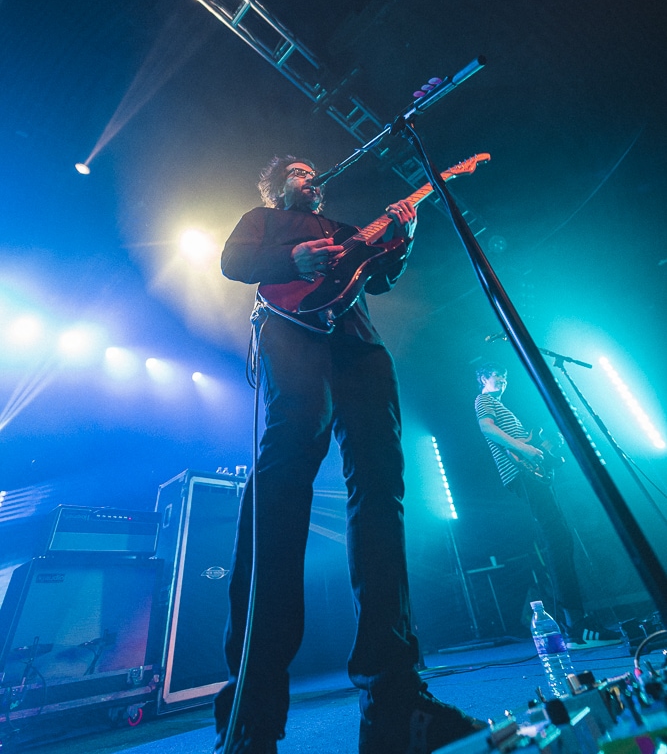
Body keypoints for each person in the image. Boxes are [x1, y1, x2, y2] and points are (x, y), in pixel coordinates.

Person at [215, 155, 486, 754]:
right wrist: (292, 258)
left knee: (382, 492)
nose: (312, 178)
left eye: (315, 172)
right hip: (290, 335)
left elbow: (380, 277)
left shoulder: (340, 228)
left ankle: (394, 699)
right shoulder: (263, 219)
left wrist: (404, 236)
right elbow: (233, 262)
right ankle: (252, 717)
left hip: (358, 346)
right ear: (277, 183)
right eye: (300, 172)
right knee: (282, 488)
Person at [474, 362, 623, 649]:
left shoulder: (501, 406)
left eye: (505, 377)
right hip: (521, 474)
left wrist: (544, 450)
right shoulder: (484, 400)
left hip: (530, 474)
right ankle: (576, 626)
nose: (503, 381)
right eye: (497, 376)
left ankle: (575, 621)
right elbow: (486, 429)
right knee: (558, 540)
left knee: (562, 539)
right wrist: (526, 449)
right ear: (482, 378)